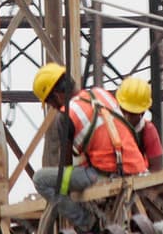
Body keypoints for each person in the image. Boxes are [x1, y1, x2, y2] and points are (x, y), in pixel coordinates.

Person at [32, 63, 147, 233]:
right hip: (138, 168)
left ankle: (87, 222)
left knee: (41, 179)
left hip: (105, 175)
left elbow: (67, 166)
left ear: (56, 96)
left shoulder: (65, 116)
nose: (54, 108)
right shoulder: (102, 93)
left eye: (51, 103)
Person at [115, 77, 163, 172]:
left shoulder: (147, 131)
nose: (126, 117)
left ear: (143, 112)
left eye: (132, 113)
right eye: (124, 111)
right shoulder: (107, 126)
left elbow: (157, 169)